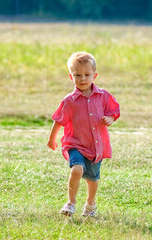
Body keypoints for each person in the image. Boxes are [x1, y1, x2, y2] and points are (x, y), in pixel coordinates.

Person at [47, 52, 120, 217]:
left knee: (92, 179)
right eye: (77, 75)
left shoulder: (103, 96)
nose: (82, 79)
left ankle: (90, 204)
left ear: (94, 75)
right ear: (71, 77)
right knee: (77, 169)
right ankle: (70, 203)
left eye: (87, 75)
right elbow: (59, 120)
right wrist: (52, 139)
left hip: (95, 146)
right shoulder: (69, 101)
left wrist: (110, 118)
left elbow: (114, 110)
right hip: (75, 143)